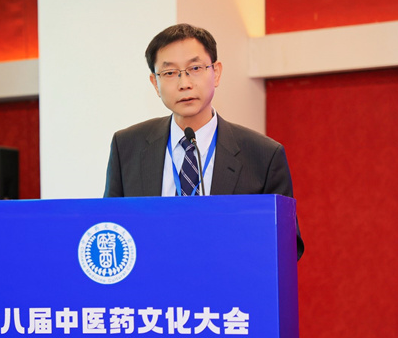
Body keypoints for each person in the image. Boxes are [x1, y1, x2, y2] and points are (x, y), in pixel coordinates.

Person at [103, 23, 304, 260]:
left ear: (216, 73)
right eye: (169, 73)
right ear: (155, 83)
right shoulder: (127, 146)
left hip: (229, 281)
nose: (184, 83)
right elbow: (110, 228)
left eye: (195, 68)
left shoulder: (263, 155)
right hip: (150, 280)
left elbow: (287, 246)